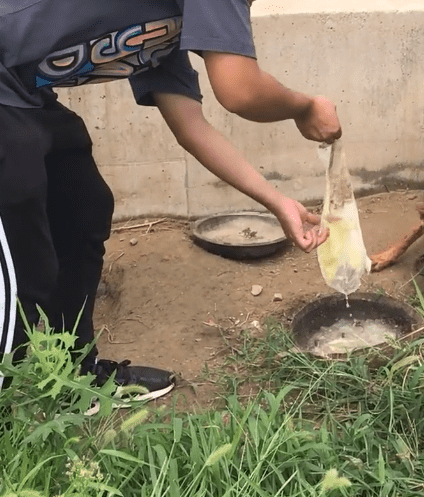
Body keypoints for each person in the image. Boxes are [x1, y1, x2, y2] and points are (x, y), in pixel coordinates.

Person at [0, 0, 341, 407]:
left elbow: (191, 128)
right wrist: (304, 107)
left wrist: (277, 201)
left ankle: (73, 375)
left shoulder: (169, 32)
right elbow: (240, 91)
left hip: (21, 98)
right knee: (23, 263)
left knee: (82, 206)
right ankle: (10, 423)